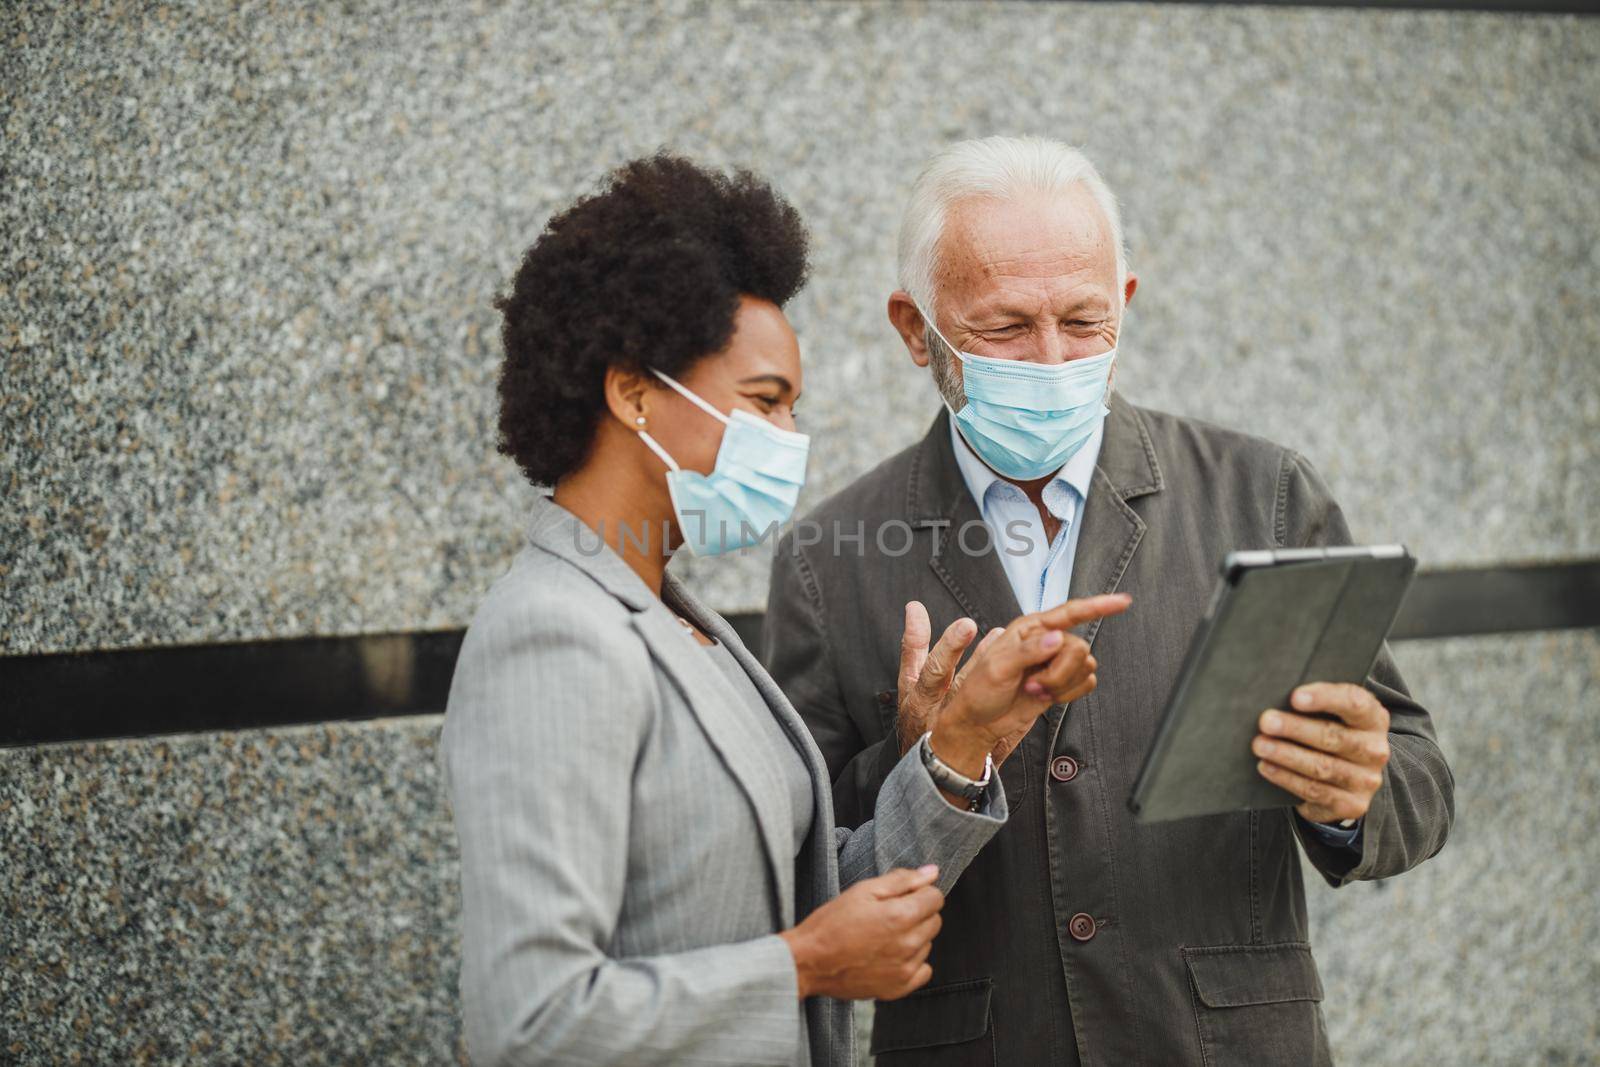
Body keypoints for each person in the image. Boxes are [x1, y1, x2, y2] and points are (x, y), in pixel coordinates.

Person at [763, 136, 1454, 1065]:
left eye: (1084, 322)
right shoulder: (827, 558)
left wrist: (1352, 791)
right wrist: (925, 763)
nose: (1051, 360)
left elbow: (1416, 773)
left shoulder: (1265, 494)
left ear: (1124, 303)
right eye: (1005, 328)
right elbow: (798, 867)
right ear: (914, 327)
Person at [439, 153, 1129, 1067]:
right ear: (633, 392)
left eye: (793, 408)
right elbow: (529, 1021)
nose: (790, 442)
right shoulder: (554, 633)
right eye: (764, 402)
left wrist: (959, 744)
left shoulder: (686, 626)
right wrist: (800, 966)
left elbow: (808, 898)